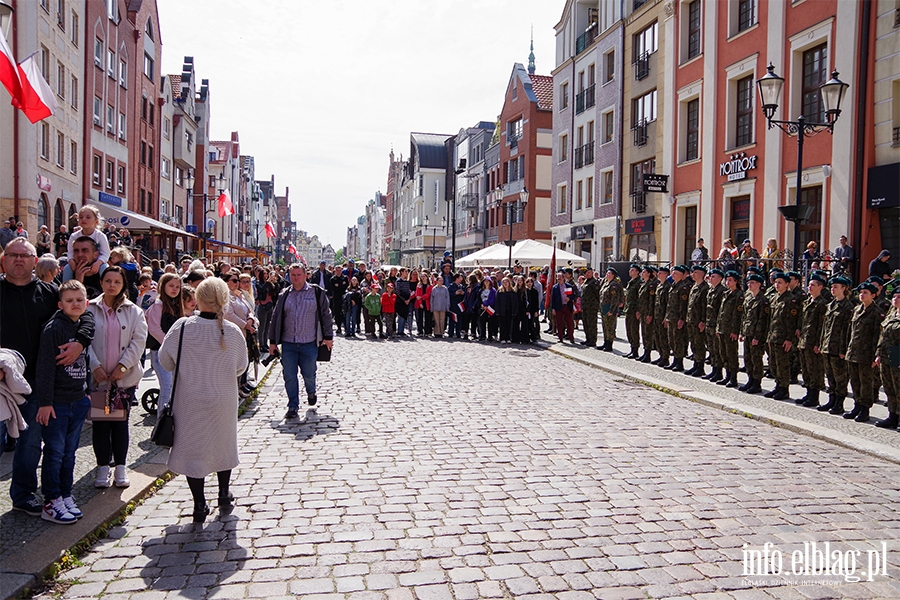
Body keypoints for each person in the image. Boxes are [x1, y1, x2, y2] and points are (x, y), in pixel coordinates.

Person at [2, 239, 94, 516]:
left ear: (35, 261)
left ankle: (25, 494)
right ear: (4, 259)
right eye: (13, 255)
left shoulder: (48, 291)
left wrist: (80, 341)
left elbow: (83, 315)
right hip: (2, 381)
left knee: (31, 442)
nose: (19, 260)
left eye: (25, 256)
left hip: (36, 382)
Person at [158, 277, 248, 522]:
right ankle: (223, 493)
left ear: (197, 298)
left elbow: (165, 361)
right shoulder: (232, 331)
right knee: (222, 443)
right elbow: (241, 367)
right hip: (222, 398)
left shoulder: (182, 327)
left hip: (190, 398)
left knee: (193, 447)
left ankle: (199, 504)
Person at [33, 280, 91, 524]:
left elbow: (86, 362)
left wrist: (86, 392)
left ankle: (66, 494)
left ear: (86, 302)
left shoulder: (81, 328)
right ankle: (51, 499)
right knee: (55, 453)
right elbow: (45, 367)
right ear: (60, 304)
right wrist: (45, 402)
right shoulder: (54, 328)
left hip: (78, 399)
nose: (75, 304)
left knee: (69, 454)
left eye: (79, 300)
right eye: (69, 300)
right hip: (57, 402)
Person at [86, 266, 148, 489]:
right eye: (108, 281)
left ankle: (120, 467)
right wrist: (94, 366)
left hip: (122, 378)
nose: (112, 285)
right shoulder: (91, 309)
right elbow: (85, 340)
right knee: (101, 423)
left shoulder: (133, 311)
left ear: (123, 285)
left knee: (119, 422)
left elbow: (138, 341)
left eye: (117, 281)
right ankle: (103, 467)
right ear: (101, 283)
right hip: (100, 378)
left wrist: (123, 366)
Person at [268, 264, 334, 419]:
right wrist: (272, 342)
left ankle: (311, 391)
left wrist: (328, 337)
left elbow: (326, 315)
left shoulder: (316, 292)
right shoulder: (284, 294)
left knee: (309, 373)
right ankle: (292, 405)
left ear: (306, 276)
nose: (295, 278)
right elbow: (275, 318)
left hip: (309, 343)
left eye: (298, 275)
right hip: (288, 342)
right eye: (292, 275)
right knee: (289, 375)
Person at [843, 282, 887, 423]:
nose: (862, 295)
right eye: (861, 292)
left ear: (873, 295)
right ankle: (857, 405)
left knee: (866, 383)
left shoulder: (877, 312)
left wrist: (876, 354)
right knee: (854, 381)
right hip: (853, 351)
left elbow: (878, 336)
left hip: (866, 354)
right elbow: (850, 332)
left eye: (866, 293)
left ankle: (865, 409)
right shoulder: (857, 310)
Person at [146, 274, 183, 413]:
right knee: (166, 387)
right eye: (171, 286)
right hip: (160, 351)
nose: (174, 289)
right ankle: (161, 424)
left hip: (175, 353)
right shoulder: (158, 305)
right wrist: (169, 343)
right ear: (163, 286)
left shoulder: (177, 305)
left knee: (174, 387)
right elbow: (154, 329)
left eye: (177, 287)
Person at [817, 276, 854, 413]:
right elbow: (825, 328)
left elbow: (847, 331)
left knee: (840, 378)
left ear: (844, 289)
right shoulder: (830, 305)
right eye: (832, 287)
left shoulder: (848, 307)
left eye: (836, 287)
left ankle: (839, 402)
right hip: (828, 346)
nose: (833, 289)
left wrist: (844, 350)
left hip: (838, 348)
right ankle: (831, 399)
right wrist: (822, 344)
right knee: (830, 376)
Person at [765, 273, 802, 400]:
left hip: (783, 338)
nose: (777, 284)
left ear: (787, 284)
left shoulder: (791, 300)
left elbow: (792, 322)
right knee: (774, 365)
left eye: (780, 282)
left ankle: (784, 389)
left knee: (783, 365)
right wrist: (769, 336)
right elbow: (771, 320)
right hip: (773, 336)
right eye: (776, 282)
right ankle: (778, 386)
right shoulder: (774, 298)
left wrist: (789, 339)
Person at [796, 273, 829, 407]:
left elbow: (822, 326)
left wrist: (818, 343)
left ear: (820, 287)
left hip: (813, 342)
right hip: (804, 340)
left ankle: (814, 396)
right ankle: (808, 393)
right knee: (806, 369)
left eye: (813, 285)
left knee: (815, 370)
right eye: (809, 284)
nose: (809, 287)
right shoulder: (807, 302)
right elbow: (802, 321)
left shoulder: (822, 304)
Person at [225, 272, 258, 397]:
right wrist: (246, 325)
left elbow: (249, 309)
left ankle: (243, 382)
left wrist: (250, 319)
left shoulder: (239, 295)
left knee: (246, 357)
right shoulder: (226, 296)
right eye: (234, 280)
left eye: (237, 280)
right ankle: (238, 386)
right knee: (238, 360)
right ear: (226, 282)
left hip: (246, 332)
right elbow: (229, 315)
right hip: (237, 332)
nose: (237, 283)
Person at [739, 273, 769, 394]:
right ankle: (750, 379)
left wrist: (757, 337)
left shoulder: (763, 300)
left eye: (752, 283)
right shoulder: (748, 298)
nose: (749, 285)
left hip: (757, 335)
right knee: (748, 358)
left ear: (759, 284)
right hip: (748, 333)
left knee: (756, 359)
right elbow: (744, 317)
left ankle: (757, 382)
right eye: (748, 283)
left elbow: (762, 321)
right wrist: (742, 332)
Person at [874, 288, 900, 428]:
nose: (895, 299)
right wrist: (878, 353)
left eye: (898, 297)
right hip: (886, 354)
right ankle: (892, 415)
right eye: (894, 296)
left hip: (897, 353)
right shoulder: (891, 314)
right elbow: (882, 336)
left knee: (899, 387)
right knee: (889, 386)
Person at [63, 205, 110, 283]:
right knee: (67, 268)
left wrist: (98, 263)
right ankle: (66, 288)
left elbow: (106, 254)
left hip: (96, 262)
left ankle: (105, 286)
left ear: (96, 221)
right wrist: (71, 261)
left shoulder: (100, 236)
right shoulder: (74, 236)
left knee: (104, 268)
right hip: (78, 262)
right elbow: (70, 253)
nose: (83, 219)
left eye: (88, 217)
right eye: (81, 217)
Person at [716, 271, 743, 389]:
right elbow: (721, 313)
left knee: (731, 353)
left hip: (730, 330)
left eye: (730, 280)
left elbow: (737, 315)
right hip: (722, 328)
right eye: (726, 280)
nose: (727, 282)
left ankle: (733, 377)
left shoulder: (739, 295)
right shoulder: (726, 294)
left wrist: (735, 331)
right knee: (724, 353)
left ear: (736, 281)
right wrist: (718, 327)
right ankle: (727, 375)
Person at [702, 269, 727, 382]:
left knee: (717, 350)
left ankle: (718, 372)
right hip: (709, 323)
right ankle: (713, 370)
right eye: (710, 276)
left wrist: (719, 326)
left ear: (720, 279)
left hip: (716, 325)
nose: (710, 278)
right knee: (711, 349)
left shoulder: (722, 291)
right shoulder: (711, 290)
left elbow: (721, 311)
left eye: (713, 276)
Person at [685, 265, 710, 377]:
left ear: (701, 274)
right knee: (694, 343)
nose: (692, 274)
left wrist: (703, 321)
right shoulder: (694, 287)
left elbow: (705, 307)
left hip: (699, 321)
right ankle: (695, 364)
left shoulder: (705, 289)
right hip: (691, 320)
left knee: (699, 344)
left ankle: (700, 367)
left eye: (695, 272)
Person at [636, 266, 657, 363]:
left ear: (649, 274)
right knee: (644, 333)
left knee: (648, 333)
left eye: (644, 272)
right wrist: (639, 311)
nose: (642, 273)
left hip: (647, 313)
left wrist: (650, 314)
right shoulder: (643, 284)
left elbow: (651, 301)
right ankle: (645, 352)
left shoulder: (651, 285)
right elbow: (640, 300)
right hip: (642, 312)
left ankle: (648, 354)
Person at [551, 271, 577, 343]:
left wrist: (569, 298)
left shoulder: (568, 286)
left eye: (560, 278)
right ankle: (560, 338)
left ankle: (571, 337)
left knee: (569, 322)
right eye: (557, 278)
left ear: (563, 278)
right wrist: (553, 308)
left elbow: (573, 295)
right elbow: (553, 299)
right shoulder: (555, 287)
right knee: (559, 323)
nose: (558, 279)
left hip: (567, 307)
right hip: (559, 307)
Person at [622, 265, 641, 358]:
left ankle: (635, 350)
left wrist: (638, 310)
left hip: (634, 310)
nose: (630, 271)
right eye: (630, 270)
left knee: (634, 330)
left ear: (637, 272)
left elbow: (640, 298)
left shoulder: (639, 282)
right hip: (628, 309)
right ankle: (632, 348)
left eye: (632, 270)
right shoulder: (631, 282)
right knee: (629, 330)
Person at [580, 268, 601, 348]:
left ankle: (592, 340)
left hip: (592, 307)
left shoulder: (594, 282)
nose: (588, 274)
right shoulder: (586, 281)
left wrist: (596, 305)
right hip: (585, 306)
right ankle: (588, 338)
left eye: (590, 272)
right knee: (586, 323)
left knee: (591, 323)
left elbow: (597, 294)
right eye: (587, 273)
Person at [495, 277, 518, 344]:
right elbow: (497, 301)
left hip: (510, 310)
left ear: (509, 283)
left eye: (506, 282)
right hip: (502, 310)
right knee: (502, 325)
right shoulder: (499, 291)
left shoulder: (513, 291)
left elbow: (515, 302)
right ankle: (502, 338)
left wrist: (515, 311)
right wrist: (497, 311)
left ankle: (508, 338)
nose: (505, 284)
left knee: (509, 325)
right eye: (504, 282)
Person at [477, 277, 498, 341]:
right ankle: (482, 335)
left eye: (488, 281)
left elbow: (493, 299)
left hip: (490, 308)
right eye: (485, 281)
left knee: (490, 322)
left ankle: (490, 336)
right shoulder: (481, 290)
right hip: (482, 308)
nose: (486, 282)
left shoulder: (493, 290)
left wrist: (486, 304)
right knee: (482, 322)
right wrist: (481, 304)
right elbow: (478, 299)